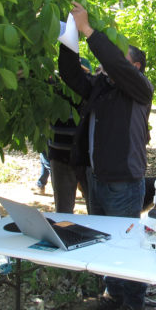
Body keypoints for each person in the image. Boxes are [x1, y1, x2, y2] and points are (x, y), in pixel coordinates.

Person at [58, 1, 153, 310]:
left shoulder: (140, 89)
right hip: (97, 179)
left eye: (118, 57)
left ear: (136, 67)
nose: (104, 63)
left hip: (124, 182)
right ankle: (113, 293)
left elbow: (115, 63)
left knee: (127, 242)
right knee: (103, 238)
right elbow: (70, 74)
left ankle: (134, 304)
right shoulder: (101, 88)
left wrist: (89, 30)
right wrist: (70, 33)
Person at [48, 57, 92, 213]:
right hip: (60, 158)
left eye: (79, 72)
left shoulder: (91, 92)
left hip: (86, 160)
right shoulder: (53, 89)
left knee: (95, 209)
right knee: (64, 210)